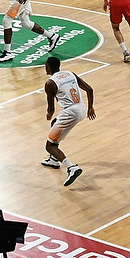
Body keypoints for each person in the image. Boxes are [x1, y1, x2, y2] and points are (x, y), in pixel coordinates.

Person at [41, 55, 94, 187]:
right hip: (81, 108)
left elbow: (51, 108)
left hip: (71, 112)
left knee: (49, 146)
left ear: (48, 66)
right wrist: (91, 107)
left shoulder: (50, 83)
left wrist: (48, 114)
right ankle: (54, 160)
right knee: (55, 123)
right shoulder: (70, 74)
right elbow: (89, 89)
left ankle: (71, 167)